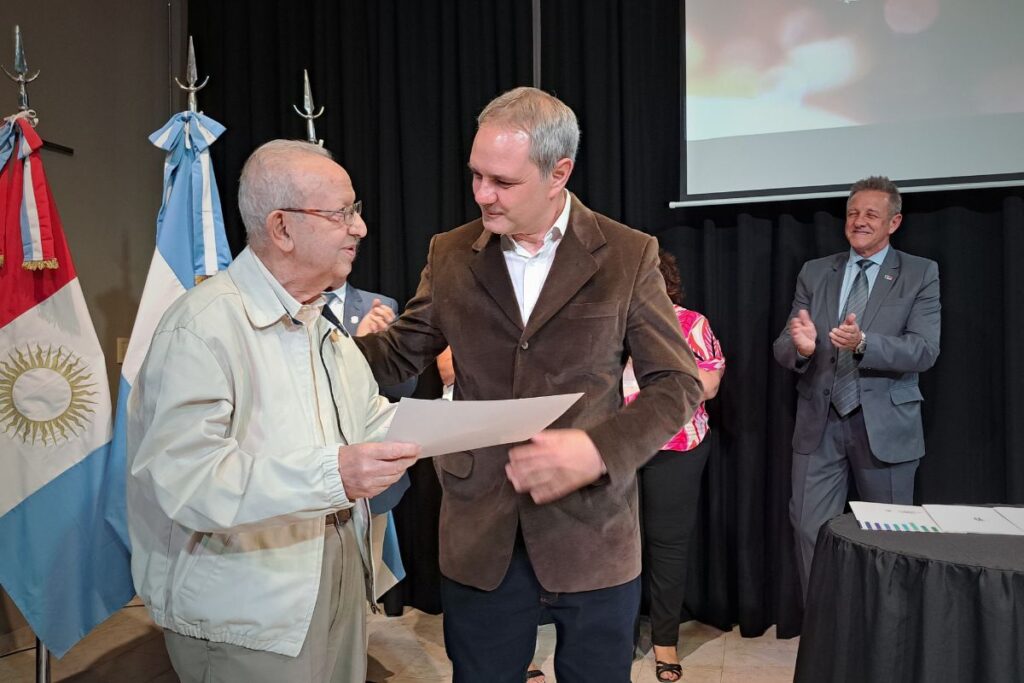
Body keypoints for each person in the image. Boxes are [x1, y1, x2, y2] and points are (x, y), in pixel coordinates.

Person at [355, 87, 704, 682]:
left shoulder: (628, 254)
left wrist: (599, 450)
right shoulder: (450, 254)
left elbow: (677, 383)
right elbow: (395, 357)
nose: (481, 194)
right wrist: (314, 343)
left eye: (502, 182)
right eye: (476, 175)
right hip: (480, 529)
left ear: (558, 174)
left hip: (593, 530)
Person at [126, 140, 420, 683]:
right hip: (248, 613)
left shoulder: (322, 329)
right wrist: (334, 474)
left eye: (355, 211)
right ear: (282, 228)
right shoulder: (202, 328)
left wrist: (459, 419)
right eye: (342, 213)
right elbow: (188, 481)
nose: (359, 228)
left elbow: (370, 421)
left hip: (337, 584)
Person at [773, 175, 941, 597]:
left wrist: (864, 344)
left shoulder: (920, 272)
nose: (859, 221)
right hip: (819, 424)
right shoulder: (815, 272)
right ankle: (824, 630)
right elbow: (785, 344)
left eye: (870, 214)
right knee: (809, 529)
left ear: (894, 222)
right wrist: (803, 348)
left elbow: (924, 350)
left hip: (885, 426)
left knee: (890, 539)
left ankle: (887, 630)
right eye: (852, 213)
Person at [625, 250, 725, 682]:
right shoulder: (609, 323)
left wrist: (654, 367)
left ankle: (665, 640)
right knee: (619, 548)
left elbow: (709, 384)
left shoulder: (690, 323)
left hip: (677, 446)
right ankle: (621, 635)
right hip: (619, 446)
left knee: (667, 545)